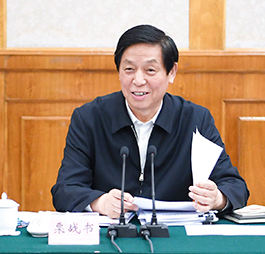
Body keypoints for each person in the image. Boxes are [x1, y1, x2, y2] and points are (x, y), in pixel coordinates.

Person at [52, 24, 249, 218]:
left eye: (150, 70)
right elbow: (65, 190)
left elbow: (235, 187)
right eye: (129, 69)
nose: (138, 80)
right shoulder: (90, 118)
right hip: (113, 232)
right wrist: (100, 202)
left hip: (174, 233)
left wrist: (217, 198)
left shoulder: (195, 119)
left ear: (171, 72)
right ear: (119, 71)